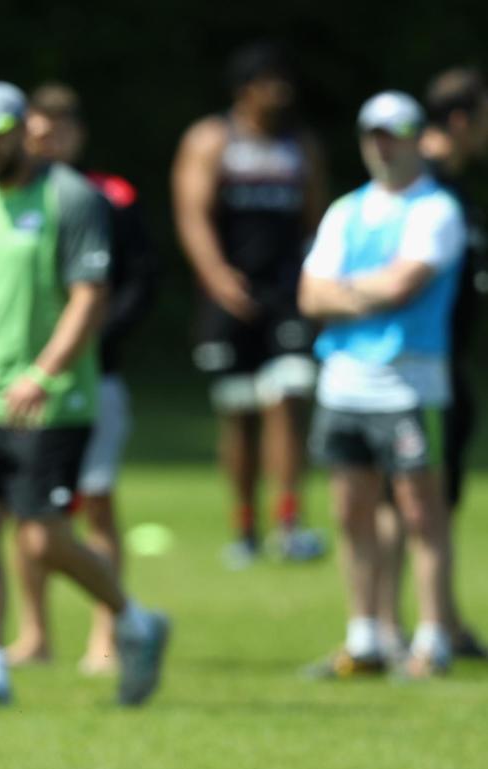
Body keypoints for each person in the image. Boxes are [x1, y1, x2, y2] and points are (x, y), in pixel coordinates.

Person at [0, 80, 169, 710]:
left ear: (20, 131)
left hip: (53, 403)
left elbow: (91, 295)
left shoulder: (72, 198)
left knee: (43, 539)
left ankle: (136, 622)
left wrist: (44, 371)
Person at [298, 91, 465, 678]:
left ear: (418, 136)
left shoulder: (436, 210)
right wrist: (362, 293)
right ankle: (364, 637)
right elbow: (309, 295)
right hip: (343, 385)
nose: (382, 144)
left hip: (409, 386)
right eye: (373, 133)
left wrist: (343, 292)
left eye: (393, 132)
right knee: (351, 514)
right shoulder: (345, 210)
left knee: (423, 516)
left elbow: (405, 287)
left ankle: (432, 640)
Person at [8, 81, 160, 673]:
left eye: (56, 131)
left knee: (93, 504)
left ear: (76, 133)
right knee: (26, 515)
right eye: (35, 131)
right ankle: (35, 633)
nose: (45, 142)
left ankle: (108, 633)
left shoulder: (109, 196)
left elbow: (140, 280)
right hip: (17, 387)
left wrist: (90, 341)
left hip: (93, 380)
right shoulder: (6, 197)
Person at [172, 42, 328, 567]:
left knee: (288, 398)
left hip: (286, 295)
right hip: (230, 297)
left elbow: (316, 219)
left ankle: (289, 522)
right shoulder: (213, 139)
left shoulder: (299, 146)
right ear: (245, 89)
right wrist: (217, 277)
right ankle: (244, 529)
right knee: (239, 413)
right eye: (269, 81)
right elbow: (192, 214)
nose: (280, 92)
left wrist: (314, 280)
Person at [373, 67, 488, 660]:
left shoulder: (453, 191)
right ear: (463, 119)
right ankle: (401, 630)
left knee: (431, 502)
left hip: (444, 370)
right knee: (414, 504)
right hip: (414, 370)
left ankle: (442, 622)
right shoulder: (427, 190)